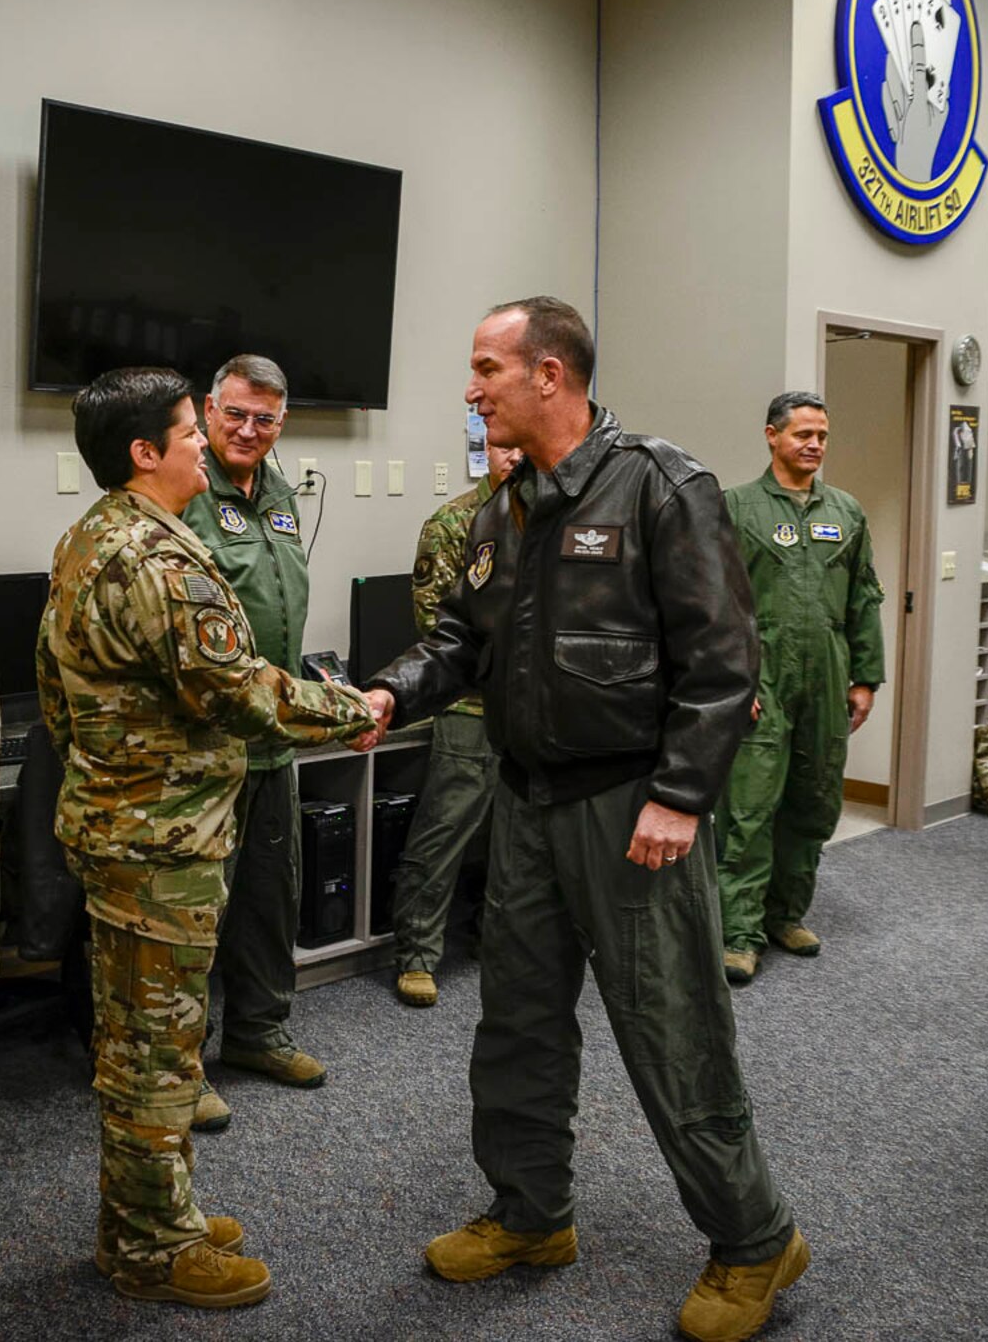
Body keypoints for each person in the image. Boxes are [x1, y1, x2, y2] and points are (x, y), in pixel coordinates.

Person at [363, 297, 807, 1342]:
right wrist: (388, 691)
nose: (470, 388)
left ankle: (754, 1238)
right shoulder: (500, 510)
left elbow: (722, 659)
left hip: (629, 805)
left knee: (671, 1029)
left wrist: (679, 793)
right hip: (525, 799)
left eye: (486, 367)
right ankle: (530, 1214)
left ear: (548, 373)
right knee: (515, 1020)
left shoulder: (659, 483)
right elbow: (457, 643)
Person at [36, 365, 379, 1309]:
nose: (205, 444)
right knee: (157, 1051)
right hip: (161, 846)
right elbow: (239, 690)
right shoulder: (161, 561)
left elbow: (56, 701)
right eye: (192, 431)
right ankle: (151, 1247)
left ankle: (149, 1211)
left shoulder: (92, 537)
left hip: (123, 827)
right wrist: (347, 709)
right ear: (146, 451)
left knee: (140, 1040)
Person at [177, 355, 317, 1131]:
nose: (248, 430)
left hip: (276, 740)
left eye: (264, 418)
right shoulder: (189, 489)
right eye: (235, 414)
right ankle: (184, 1061)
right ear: (208, 408)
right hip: (212, 745)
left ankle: (259, 1032)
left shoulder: (281, 489)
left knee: (271, 897)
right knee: (202, 910)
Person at [712, 392, 886, 985]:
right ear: (772, 436)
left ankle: (785, 914)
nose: (813, 445)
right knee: (749, 809)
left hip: (828, 679)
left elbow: (864, 597)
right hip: (762, 679)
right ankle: (739, 932)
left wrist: (866, 677)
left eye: (822, 436)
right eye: (802, 434)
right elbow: (715, 605)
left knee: (813, 804)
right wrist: (734, 678)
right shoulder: (736, 508)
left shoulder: (847, 511)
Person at [388, 440, 523, 1006]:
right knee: (444, 832)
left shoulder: (561, 519)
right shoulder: (454, 523)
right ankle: (417, 953)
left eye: (524, 445)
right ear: (484, 449)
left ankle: (500, 942)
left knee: (517, 840)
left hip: (533, 712)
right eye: (502, 446)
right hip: (471, 705)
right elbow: (437, 622)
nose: (514, 456)